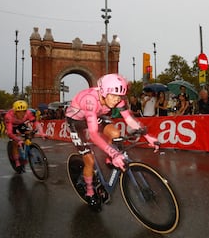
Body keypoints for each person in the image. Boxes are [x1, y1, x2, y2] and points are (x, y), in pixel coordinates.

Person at [65, 74, 159, 210]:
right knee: (89, 160)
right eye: (113, 95)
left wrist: (148, 136)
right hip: (76, 122)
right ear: (103, 92)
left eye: (120, 96)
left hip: (95, 115)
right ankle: (90, 191)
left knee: (115, 133)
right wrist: (113, 152)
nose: (117, 100)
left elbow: (129, 119)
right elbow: (93, 134)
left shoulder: (118, 99)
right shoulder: (90, 100)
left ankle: (110, 157)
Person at [4, 100, 46, 174]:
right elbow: (10, 133)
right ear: (15, 111)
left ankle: (27, 149)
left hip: (21, 124)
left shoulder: (28, 113)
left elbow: (36, 122)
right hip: (11, 125)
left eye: (23, 111)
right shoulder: (9, 116)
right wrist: (18, 140)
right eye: (19, 112)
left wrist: (42, 133)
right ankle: (17, 161)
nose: (22, 114)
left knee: (29, 133)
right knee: (15, 142)